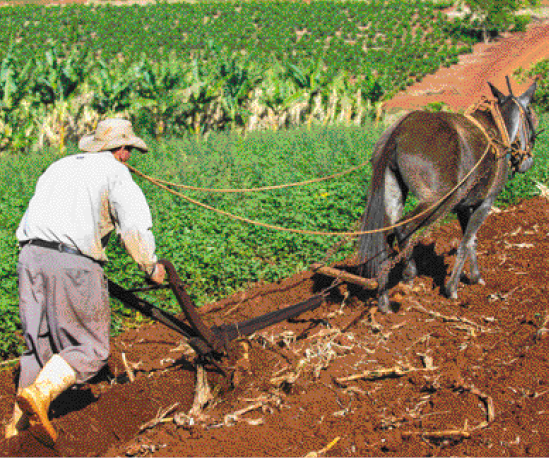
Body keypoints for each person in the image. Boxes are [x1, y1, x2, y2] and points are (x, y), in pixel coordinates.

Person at [5, 118, 166, 444]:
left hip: (30, 256)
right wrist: (151, 266)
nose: (129, 157)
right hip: (73, 262)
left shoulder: (58, 166)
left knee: (39, 348)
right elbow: (133, 226)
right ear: (121, 149)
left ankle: (13, 433)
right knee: (91, 349)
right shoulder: (116, 171)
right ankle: (40, 394)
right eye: (129, 151)